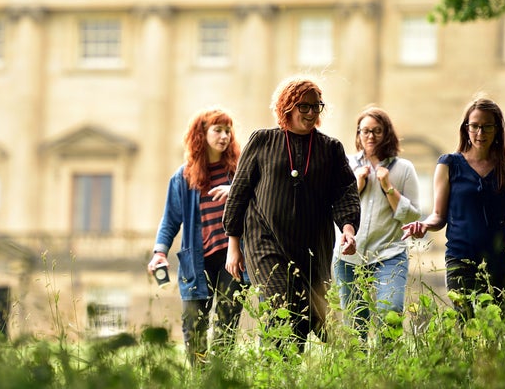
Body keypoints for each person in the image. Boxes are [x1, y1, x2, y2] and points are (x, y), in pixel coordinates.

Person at [223, 76, 360, 350]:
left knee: (316, 315)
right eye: (303, 107)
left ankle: (294, 370)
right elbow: (239, 192)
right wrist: (233, 246)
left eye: (315, 107)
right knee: (279, 305)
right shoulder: (262, 141)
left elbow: (345, 191)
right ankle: (277, 369)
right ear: (287, 107)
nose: (310, 114)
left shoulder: (330, 149)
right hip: (266, 241)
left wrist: (348, 229)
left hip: (313, 246)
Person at [401, 97, 505, 320]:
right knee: (465, 323)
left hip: (501, 257)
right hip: (460, 257)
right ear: (466, 128)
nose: (480, 133)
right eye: (474, 126)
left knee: (496, 325)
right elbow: (439, 215)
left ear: (497, 129)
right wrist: (424, 225)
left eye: (487, 126)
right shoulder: (448, 164)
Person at [147, 107, 246, 365]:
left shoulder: (238, 172)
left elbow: (258, 202)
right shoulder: (183, 177)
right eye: (218, 130)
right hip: (197, 259)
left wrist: (234, 191)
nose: (224, 136)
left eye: (228, 131)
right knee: (194, 325)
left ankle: (220, 376)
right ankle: (199, 379)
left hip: (233, 257)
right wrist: (159, 252)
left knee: (227, 322)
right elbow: (170, 219)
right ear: (202, 134)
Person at [333, 107, 421, 341]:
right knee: (355, 321)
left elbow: (412, 216)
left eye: (377, 131)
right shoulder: (346, 165)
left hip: (389, 253)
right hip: (349, 256)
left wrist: (388, 186)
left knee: (390, 312)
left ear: (387, 133)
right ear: (358, 134)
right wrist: (358, 184)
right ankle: (359, 371)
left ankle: (387, 367)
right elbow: (334, 205)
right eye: (365, 131)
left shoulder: (404, 168)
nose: (370, 136)